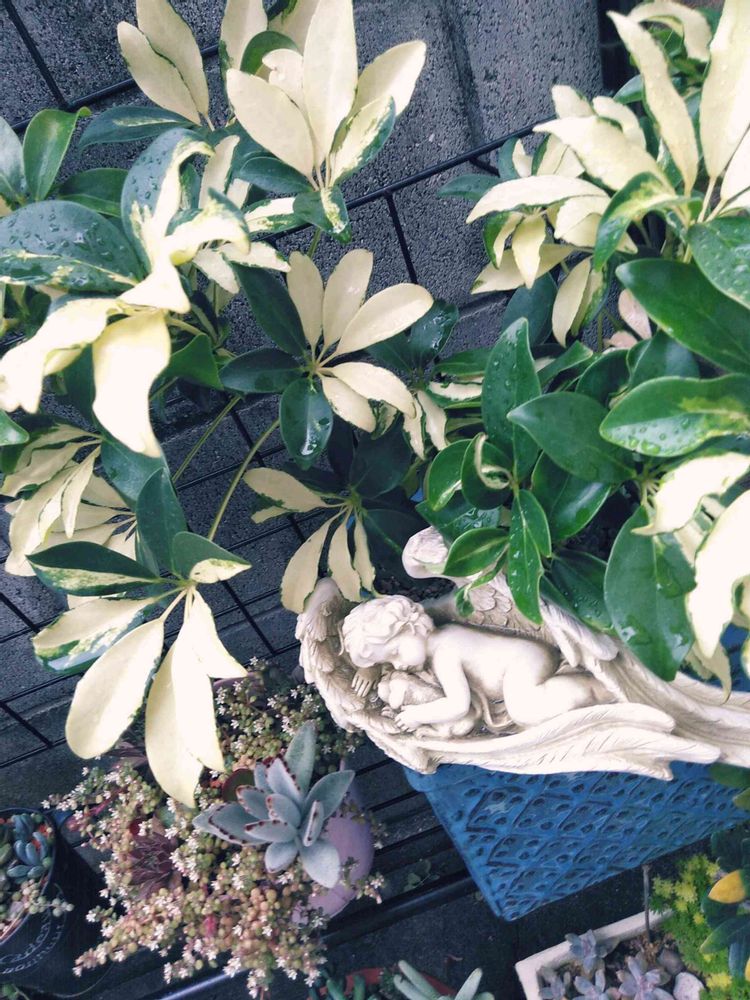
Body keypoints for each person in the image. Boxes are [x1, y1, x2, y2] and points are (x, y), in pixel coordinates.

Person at [339, 594, 613, 732]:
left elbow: (458, 705)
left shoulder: (445, 651)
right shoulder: (434, 642)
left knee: (525, 710)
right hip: (523, 662)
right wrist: (370, 667)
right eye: (388, 661)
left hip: (522, 662)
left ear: (410, 626)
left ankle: (596, 690)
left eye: (395, 652)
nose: (397, 665)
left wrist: (417, 716)